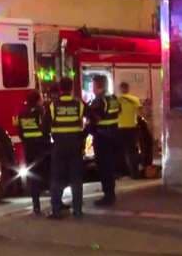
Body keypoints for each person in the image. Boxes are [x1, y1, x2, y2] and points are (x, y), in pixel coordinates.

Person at [47, 77, 85, 219]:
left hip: (59, 146)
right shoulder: (79, 104)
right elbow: (94, 118)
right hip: (75, 145)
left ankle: (56, 210)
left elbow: (44, 127)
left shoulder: (53, 106)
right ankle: (78, 210)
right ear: (71, 88)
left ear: (60, 89)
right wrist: (82, 135)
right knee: (76, 179)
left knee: (57, 178)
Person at [87, 75, 121, 206]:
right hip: (113, 136)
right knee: (110, 167)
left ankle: (108, 196)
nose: (92, 88)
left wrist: (86, 130)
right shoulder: (113, 98)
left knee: (104, 168)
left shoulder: (100, 101)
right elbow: (118, 112)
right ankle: (110, 194)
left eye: (93, 85)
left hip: (102, 138)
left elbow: (95, 119)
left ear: (98, 86)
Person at [16, 90, 51, 215]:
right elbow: (45, 128)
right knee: (48, 175)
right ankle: (55, 204)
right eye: (40, 99)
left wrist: (27, 141)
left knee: (33, 178)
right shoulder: (40, 112)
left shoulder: (22, 113)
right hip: (41, 149)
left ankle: (36, 206)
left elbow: (20, 131)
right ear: (37, 101)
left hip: (29, 149)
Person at [117, 82, 142, 179]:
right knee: (132, 151)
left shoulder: (117, 100)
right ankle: (134, 173)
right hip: (132, 127)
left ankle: (123, 173)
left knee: (121, 151)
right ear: (128, 88)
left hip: (120, 127)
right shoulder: (134, 99)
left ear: (120, 89)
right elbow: (140, 113)